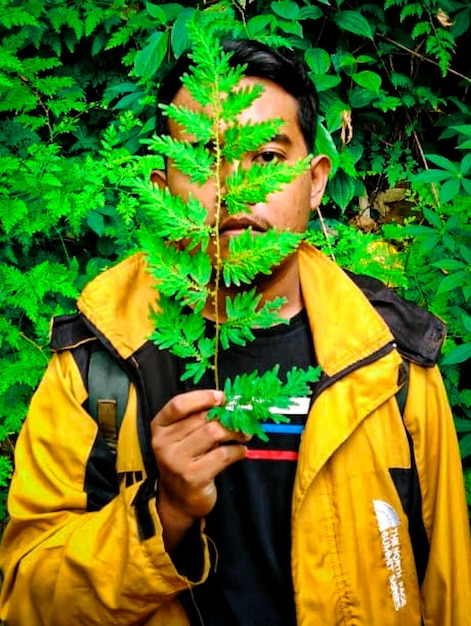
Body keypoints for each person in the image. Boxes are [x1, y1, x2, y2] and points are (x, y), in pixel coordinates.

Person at [0, 39, 470, 626]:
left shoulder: (392, 363)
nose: (231, 189)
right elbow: (26, 602)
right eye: (204, 156)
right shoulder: (97, 360)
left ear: (316, 179)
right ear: (163, 184)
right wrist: (163, 515)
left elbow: (449, 593)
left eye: (268, 157)